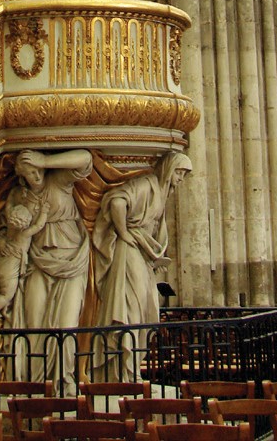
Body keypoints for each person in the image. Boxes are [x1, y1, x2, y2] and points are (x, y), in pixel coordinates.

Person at [92, 151, 192, 381]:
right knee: (131, 307)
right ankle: (121, 370)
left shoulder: (160, 193)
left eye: (183, 174)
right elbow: (117, 201)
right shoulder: (146, 183)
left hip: (141, 253)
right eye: (179, 172)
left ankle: (131, 368)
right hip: (129, 252)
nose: (180, 179)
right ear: (168, 168)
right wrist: (124, 232)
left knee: (147, 308)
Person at [2, 148, 93, 391]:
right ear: (22, 177)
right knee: (33, 323)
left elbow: (85, 159)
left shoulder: (58, 181)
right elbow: (11, 230)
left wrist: (46, 160)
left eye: (37, 169)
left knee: (66, 325)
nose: (36, 175)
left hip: (71, 261)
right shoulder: (19, 197)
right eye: (30, 173)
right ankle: (35, 383)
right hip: (38, 261)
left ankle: (64, 380)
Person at [0, 201, 48, 318]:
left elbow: (7, 211)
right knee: (6, 294)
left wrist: (11, 198)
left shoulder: (9, 229)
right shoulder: (24, 234)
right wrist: (44, 211)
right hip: (9, 269)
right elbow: (38, 226)